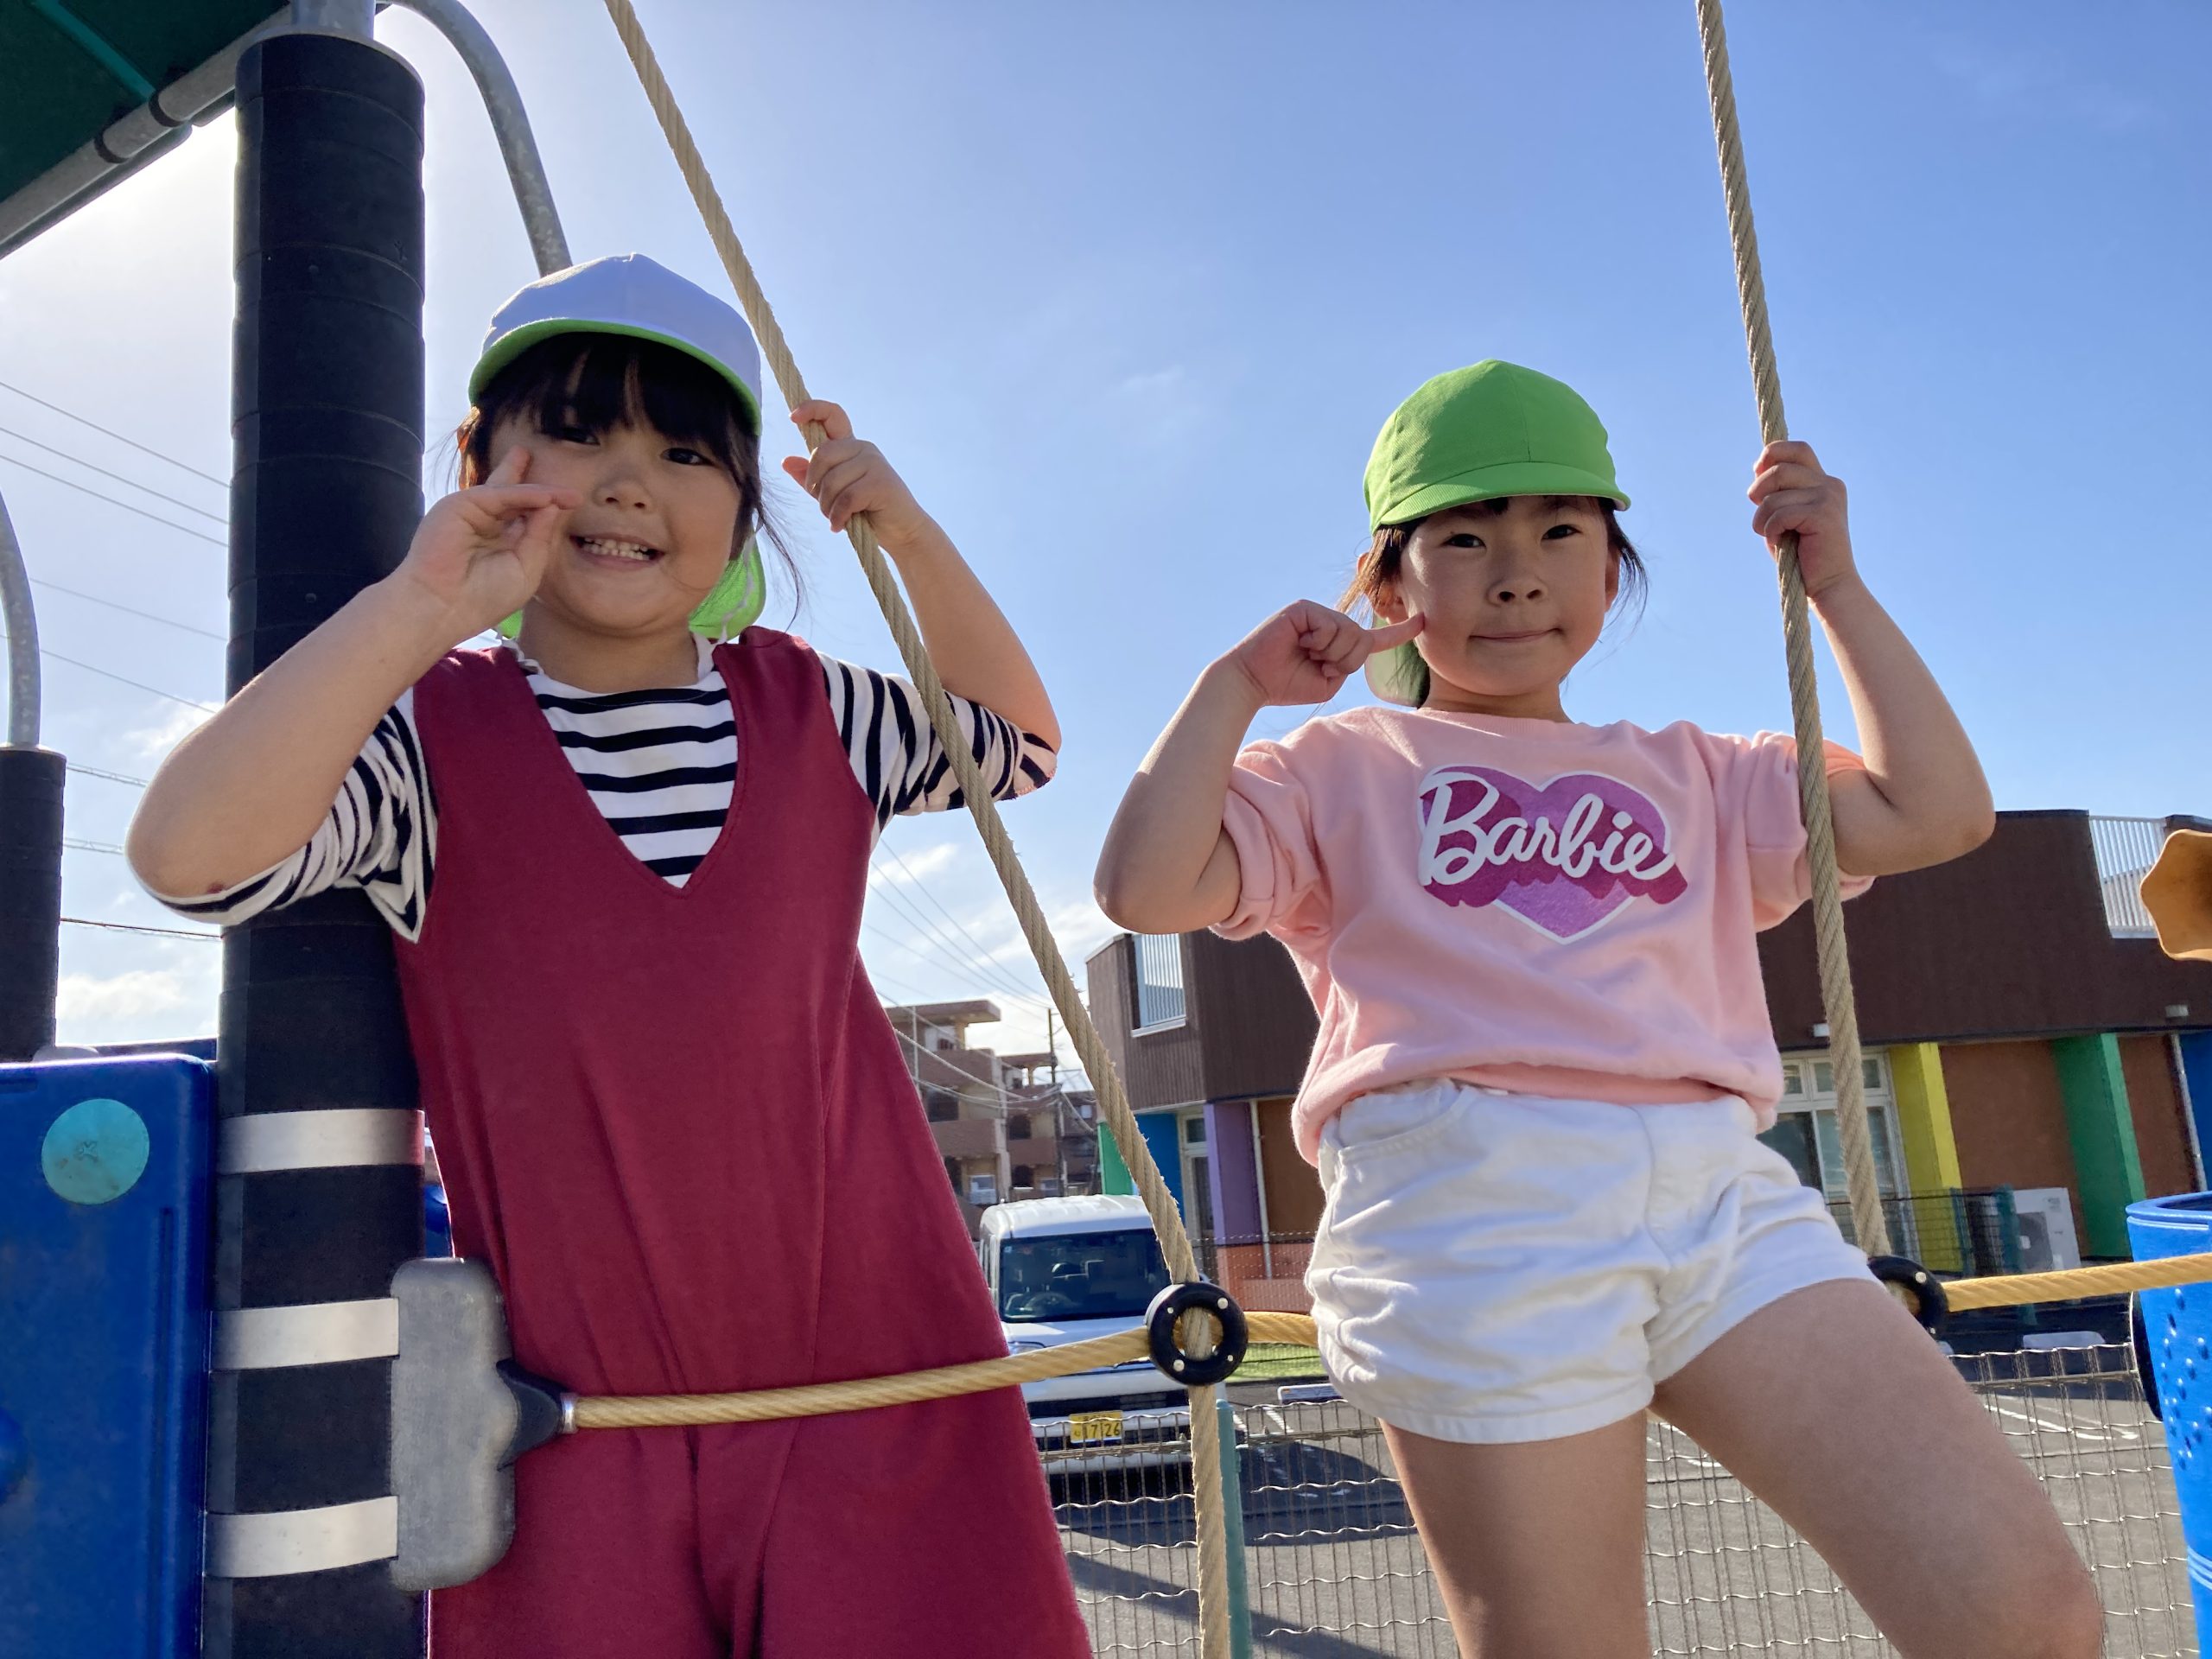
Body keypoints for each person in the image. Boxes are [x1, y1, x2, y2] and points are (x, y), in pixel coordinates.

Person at [129, 254, 1089, 1659]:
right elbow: (187, 857)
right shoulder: (425, 736)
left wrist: (907, 531)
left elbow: (1020, 744)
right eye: (579, 434)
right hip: (575, 1428)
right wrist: (417, 604)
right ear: (484, 462)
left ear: (745, 512)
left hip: (888, 1391)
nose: (631, 484)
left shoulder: (814, 706)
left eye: (687, 455)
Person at [1094, 360, 2101, 1658]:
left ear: (1614, 573)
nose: (1518, 574)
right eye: (1466, 538)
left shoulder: (1704, 771)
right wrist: (1234, 686)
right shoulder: (1338, 764)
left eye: (1562, 530)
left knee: (2027, 1614)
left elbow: (1939, 814)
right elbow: (1144, 887)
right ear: (1388, 590)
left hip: (1720, 1191)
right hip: (1467, 1201)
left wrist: (1836, 586)